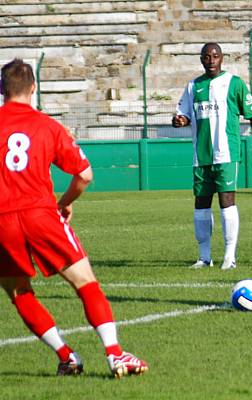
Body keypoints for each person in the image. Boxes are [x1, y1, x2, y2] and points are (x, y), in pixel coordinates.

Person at [0, 59, 148, 378]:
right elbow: (85, 175)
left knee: (19, 292)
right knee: (85, 283)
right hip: (41, 214)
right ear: (33, 88)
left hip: (2, 222)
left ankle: (67, 356)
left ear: (2, 90)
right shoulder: (48, 126)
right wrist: (64, 203)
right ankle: (114, 354)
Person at [173, 43, 252, 270]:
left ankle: (229, 256)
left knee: (226, 201)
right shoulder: (193, 86)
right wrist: (180, 121)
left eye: (215, 56)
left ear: (222, 58)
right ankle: (204, 257)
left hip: (226, 152)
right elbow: (182, 114)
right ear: (201, 59)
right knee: (201, 204)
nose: (211, 60)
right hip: (201, 155)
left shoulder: (234, 83)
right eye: (207, 56)